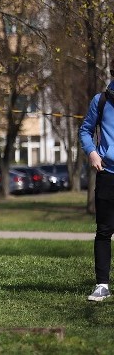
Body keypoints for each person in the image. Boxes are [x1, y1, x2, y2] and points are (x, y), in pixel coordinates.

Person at [79, 63, 114, 302]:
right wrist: (92, 152)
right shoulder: (101, 100)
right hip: (108, 174)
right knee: (104, 231)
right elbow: (85, 130)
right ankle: (102, 284)